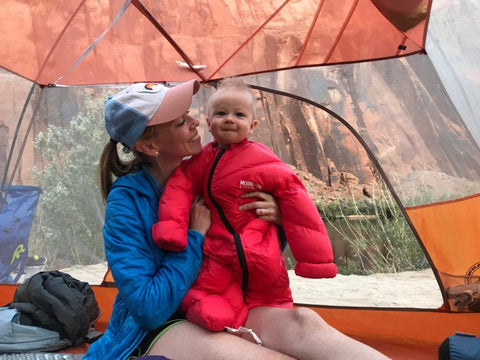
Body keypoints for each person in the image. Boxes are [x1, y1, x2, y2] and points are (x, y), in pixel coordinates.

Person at [84, 80, 390, 360]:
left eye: (189, 113)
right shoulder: (127, 202)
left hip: (228, 301)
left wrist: (276, 220)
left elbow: (245, 250)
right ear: (149, 146)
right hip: (160, 324)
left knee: (304, 322)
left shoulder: (210, 170)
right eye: (180, 122)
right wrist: (194, 238)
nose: (194, 123)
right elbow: (148, 307)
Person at [152, 77, 337, 332]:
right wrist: (172, 228)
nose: (229, 119)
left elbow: (296, 200)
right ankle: (216, 312)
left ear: (252, 126)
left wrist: (315, 258)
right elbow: (179, 188)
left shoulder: (264, 161)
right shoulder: (199, 161)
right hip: (219, 254)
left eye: (239, 114)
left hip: (263, 253)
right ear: (208, 123)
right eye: (221, 113)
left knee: (275, 300)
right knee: (208, 291)